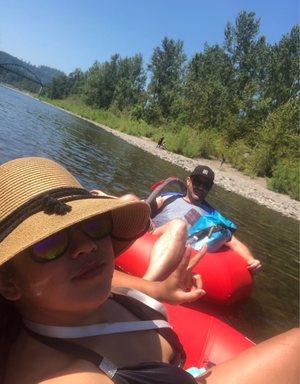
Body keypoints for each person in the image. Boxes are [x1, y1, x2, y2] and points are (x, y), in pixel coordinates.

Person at [1, 157, 298, 384]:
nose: (87, 246)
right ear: (9, 284)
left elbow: (232, 239)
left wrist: (158, 289)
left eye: (94, 224)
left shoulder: (79, 293)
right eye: (49, 243)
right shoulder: (63, 374)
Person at [152, 165, 262, 271]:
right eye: (197, 182)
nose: (200, 187)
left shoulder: (212, 216)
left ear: (209, 188)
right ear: (189, 181)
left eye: (206, 185)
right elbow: (145, 207)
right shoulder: (169, 197)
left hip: (174, 247)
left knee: (178, 225)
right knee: (133, 198)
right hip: (151, 235)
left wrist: (250, 259)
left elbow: (233, 242)